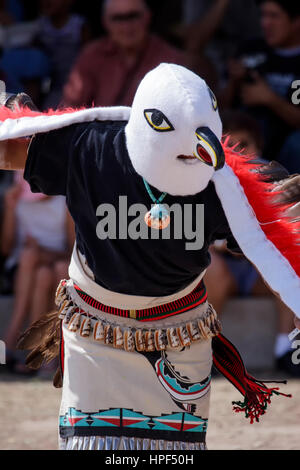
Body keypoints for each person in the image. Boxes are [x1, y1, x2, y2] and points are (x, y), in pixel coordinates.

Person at [0, 65, 299, 450]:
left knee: (173, 452)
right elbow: (10, 146)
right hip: (96, 335)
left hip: (179, 335)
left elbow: (283, 213)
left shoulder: (226, 183)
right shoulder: (89, 147)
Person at [204, 110, 299, 376]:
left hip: (259, 271)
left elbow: (284, 235)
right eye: (231, 147)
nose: (240, 154)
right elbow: (197, 237)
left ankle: (287, 350)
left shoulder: (275, 177)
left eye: (244, 145)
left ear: (259, 145)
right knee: (210, 267)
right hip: (223, 270)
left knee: (285, 265)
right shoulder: (205, 181)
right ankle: (204, 351)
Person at [2, 172, 74, 373]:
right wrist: (9, 206)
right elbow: (6, 248)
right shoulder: (17, 201)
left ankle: (13, 340)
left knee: (47, 264)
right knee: (37, 267)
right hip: (25, 268)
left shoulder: (64, 203)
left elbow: (73, 250)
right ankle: (40, 351)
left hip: (54, 263)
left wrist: (43, 253)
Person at [220, 0, 300, 171]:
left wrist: (270, 99)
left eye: (274, 16)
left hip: (287, 144)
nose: (265, 23)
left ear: (296, 21)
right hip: (245, 136)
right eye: (263, 15)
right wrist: (234, 81)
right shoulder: (250, 49)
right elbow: (219, 108)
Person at [63, 0, 184, 107]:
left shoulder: (171, 59)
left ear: (148, 17)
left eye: (133, 16)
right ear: (105, 22)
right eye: (118, 18)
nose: (126, 26)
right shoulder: (92, 56)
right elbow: (71, 106)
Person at [35, 0, 90, 109]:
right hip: (53, 87)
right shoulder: (41, 26)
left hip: (78, 85)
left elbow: (90, 58)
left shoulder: (79, 25)